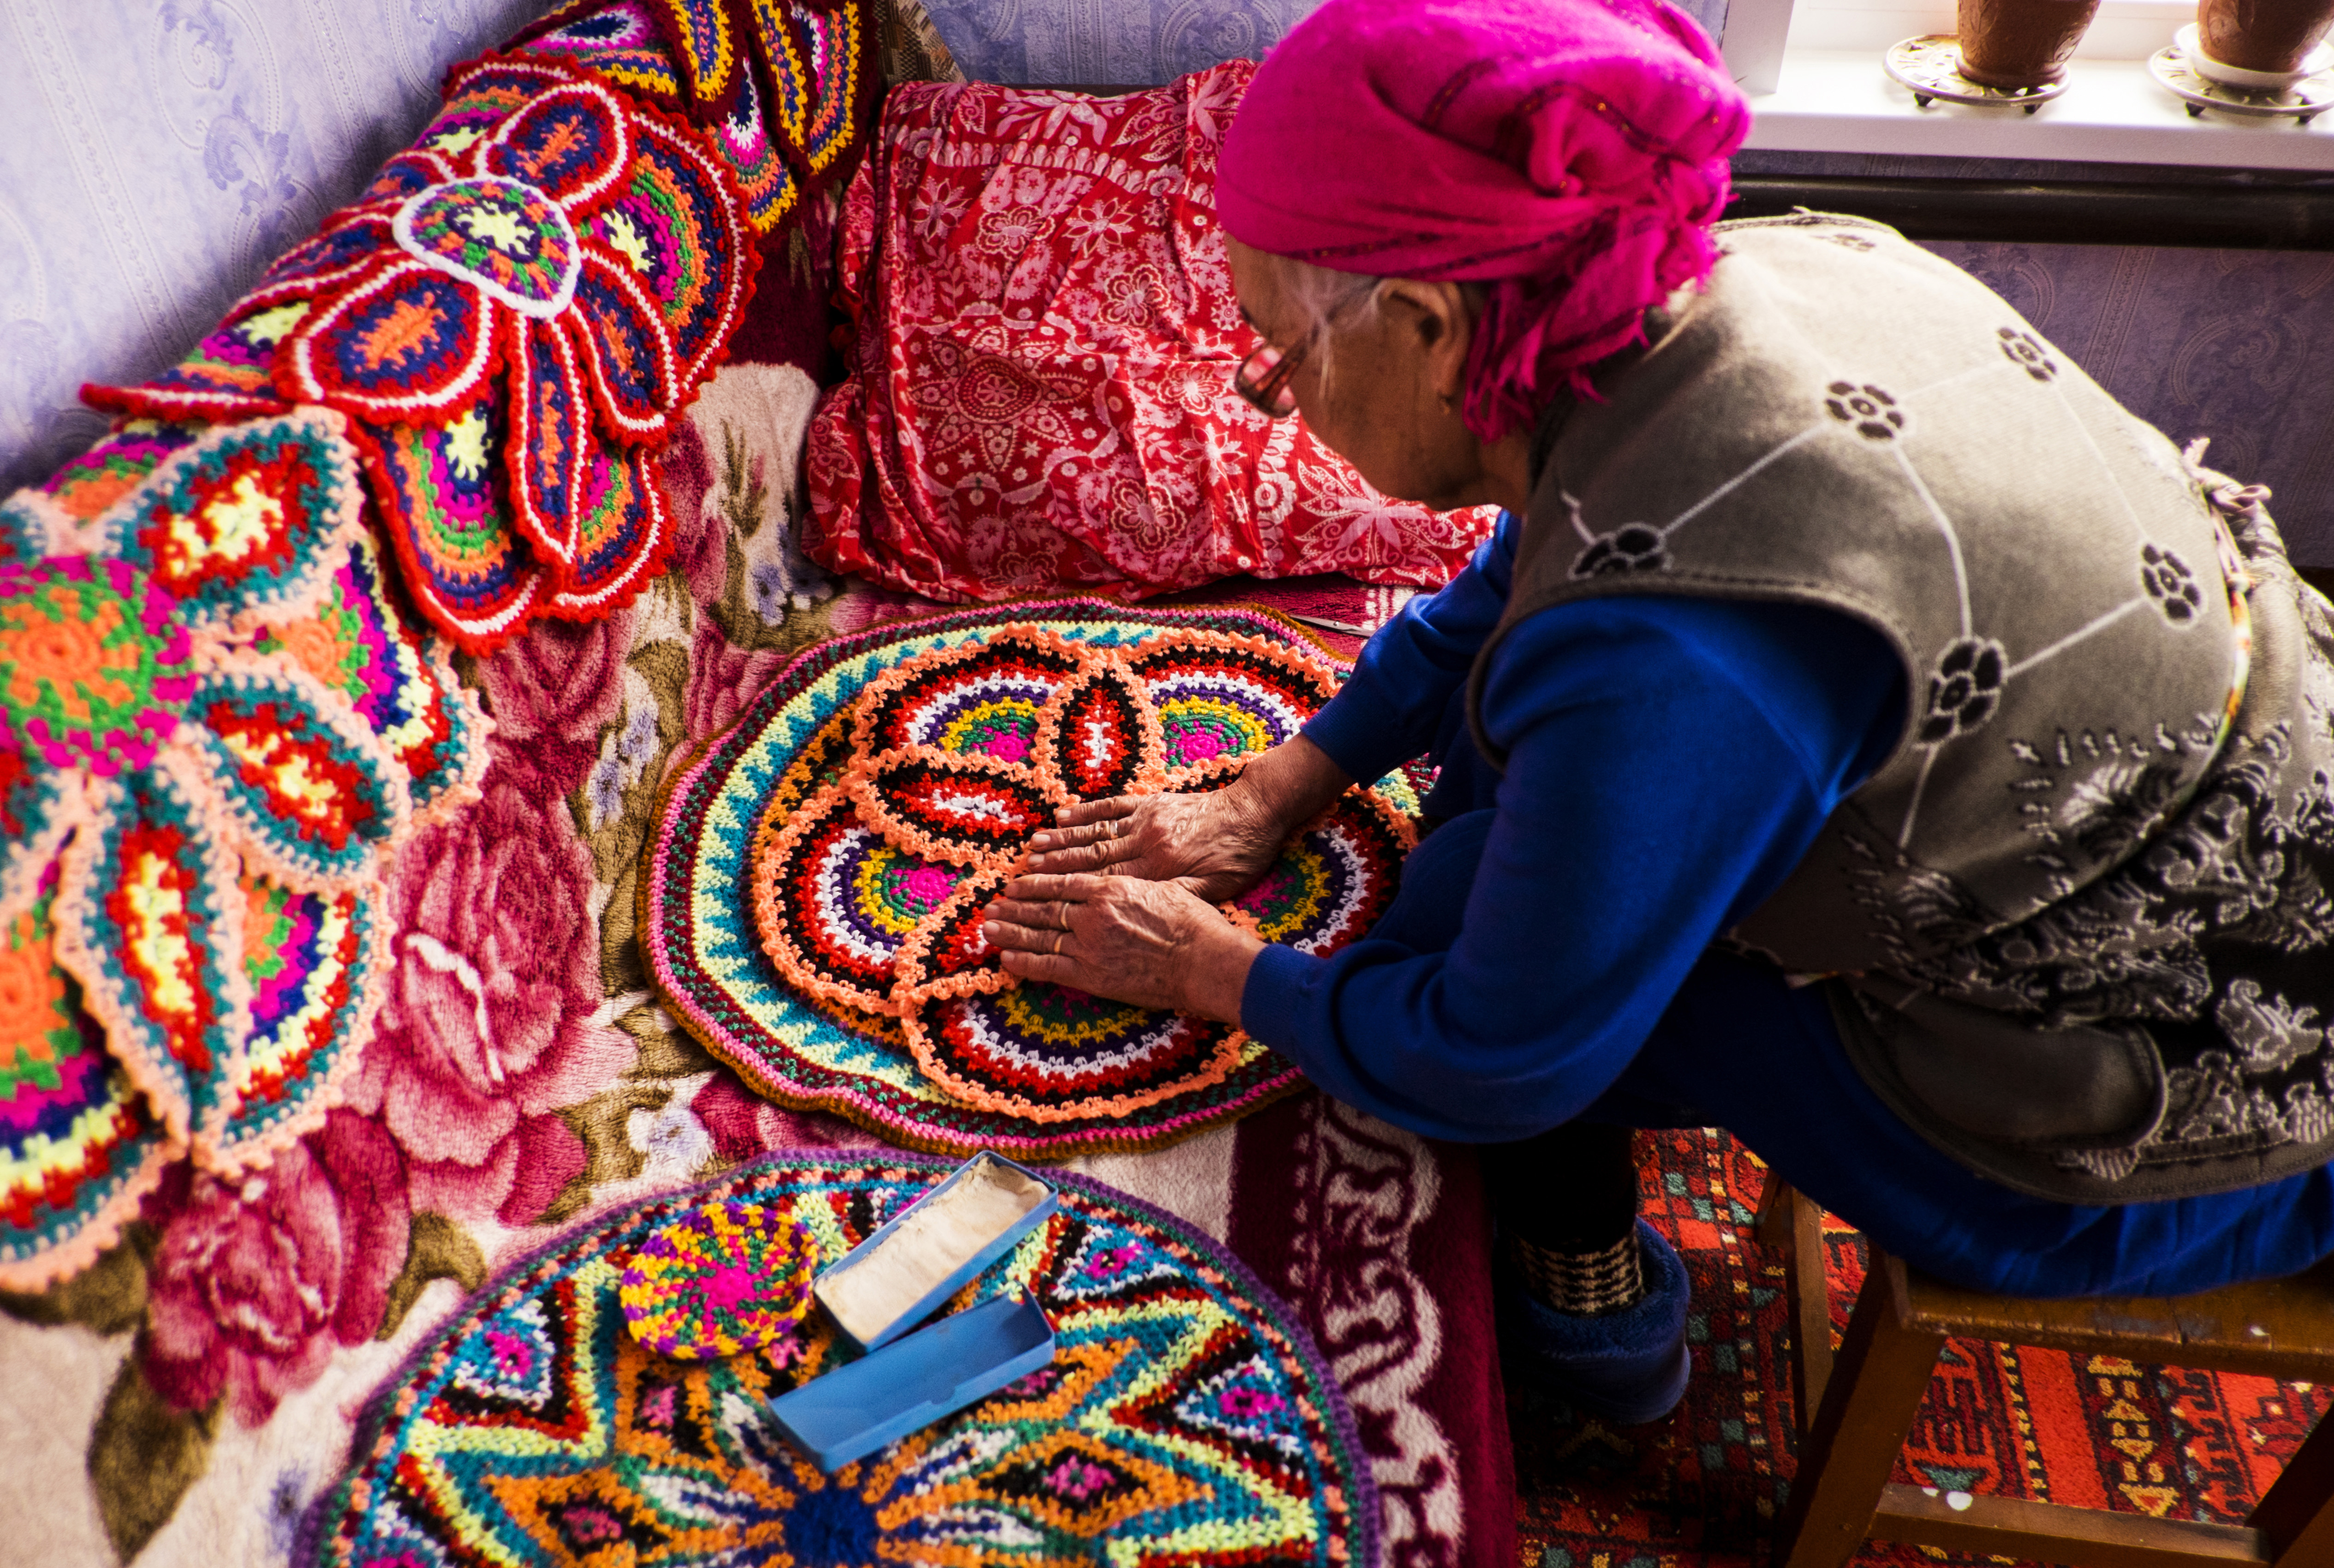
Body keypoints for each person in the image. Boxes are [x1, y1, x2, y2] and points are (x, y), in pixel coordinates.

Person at [982, 0, 2334, 1425]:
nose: (1280, 399)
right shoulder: (1753, 273)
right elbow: (1536, 561)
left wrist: (1210, 969)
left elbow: (1489, 1056)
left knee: (1451, 955)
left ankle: (1592, 1338)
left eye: (1277, 360)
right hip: (2250, 849)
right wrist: (1281, 786)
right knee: (1487, 807)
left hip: (2172, 1113)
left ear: (1432, 327)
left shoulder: (1670, 658)